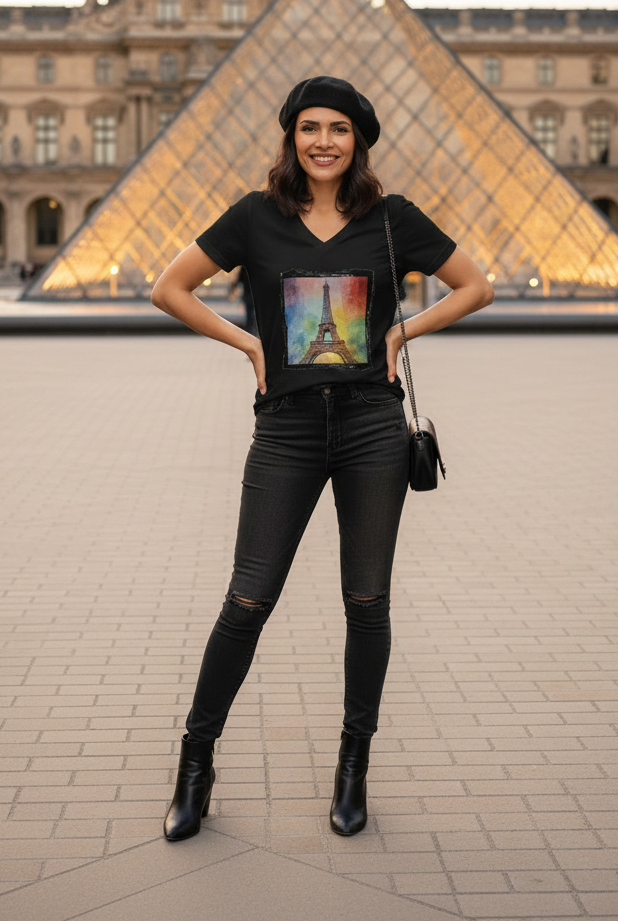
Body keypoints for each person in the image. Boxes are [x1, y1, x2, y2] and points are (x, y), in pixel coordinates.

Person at [151, 76, 493, 843]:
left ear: (358, 141)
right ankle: (195, 764)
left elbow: (477, 287)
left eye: (339, 129)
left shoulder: (393, 219)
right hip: (287, 430)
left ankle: (352, 766)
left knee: (367, 603)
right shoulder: (256, 216)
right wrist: (249, 345)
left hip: (374, 427)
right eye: (310, 128)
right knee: (247, 599)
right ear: (291, 138)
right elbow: (169, 288)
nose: (324, 142)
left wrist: (402, 335)